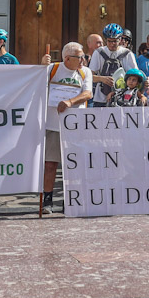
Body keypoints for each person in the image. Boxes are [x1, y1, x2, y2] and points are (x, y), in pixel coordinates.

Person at [40, 43, 93, 213]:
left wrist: (70, 102)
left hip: (75, 127)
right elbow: (36, 83)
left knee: (72, 166)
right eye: (79, 57)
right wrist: (41, 67)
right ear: (67, 59)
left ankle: (69, 200)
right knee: (50, 165)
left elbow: (88, 93)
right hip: (53, 125)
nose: (83, 60)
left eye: (84, 56)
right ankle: (47, 200)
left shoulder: (85, 72)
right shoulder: (52, 69)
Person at [89, 24, 137, 106]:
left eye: (115, 41)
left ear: (120, 39)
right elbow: (89, 76)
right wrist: (102, 79)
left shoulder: (128, 54)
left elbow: (135, 76)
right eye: (109, 41)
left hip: (123, 98)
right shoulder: (98, 53)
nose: (112, 44)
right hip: (101, 97)